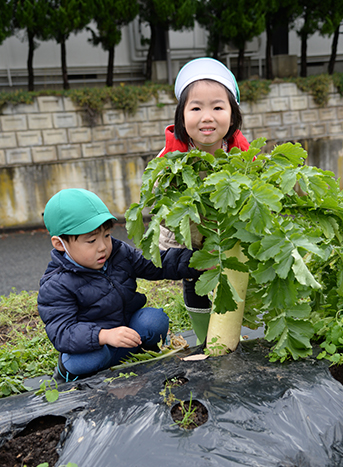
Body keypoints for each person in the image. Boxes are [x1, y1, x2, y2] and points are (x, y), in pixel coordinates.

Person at [37, 188, 202, 383]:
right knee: (85, 360)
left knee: (155, 320)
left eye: (106, 236)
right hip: (96, 345)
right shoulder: (56, 284)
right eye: (91, 240)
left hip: (124, 333)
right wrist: (103, 335)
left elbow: (156, 264)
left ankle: (133, 356)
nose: (103, 247)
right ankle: (71, 373)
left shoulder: (118, 253)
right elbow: (62, 332)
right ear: (59, 244)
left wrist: (198, 261)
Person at [158, 57, 250, 345]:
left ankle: (226, 335)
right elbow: (160, 190)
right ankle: (202, 337)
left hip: (225, 228)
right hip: (187, 230)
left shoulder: (240, 150)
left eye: (217, 107)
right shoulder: (174, 154)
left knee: (234, 277)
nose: (207, 117)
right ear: (181, 116)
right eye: (196, 108)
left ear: (232, 116)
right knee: (194, 278)